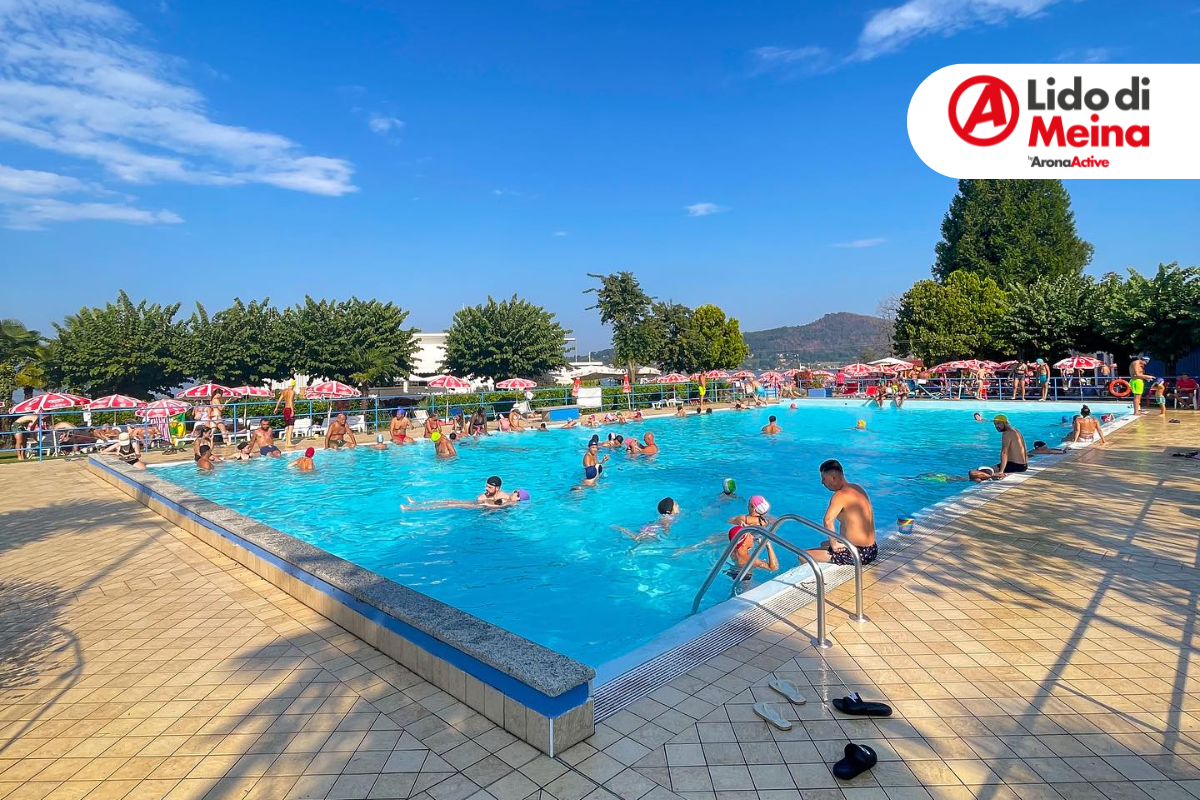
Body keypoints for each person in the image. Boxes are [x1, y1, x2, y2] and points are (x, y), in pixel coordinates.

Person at [808, 460, 878, 565]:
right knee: (824, 544)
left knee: (804, 556)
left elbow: (828, 521)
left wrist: (834, 545)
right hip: (871, 550)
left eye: (824, 478)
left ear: (834, 478)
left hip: (856, 553)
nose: (822, 482)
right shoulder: (857, 488)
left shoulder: (840, 495)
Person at [614, 497, 680, 542]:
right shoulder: (668, 519)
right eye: (676, 505)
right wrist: (667, 536)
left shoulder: (664, 516)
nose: (678, 506)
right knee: (640, 539)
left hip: (648, 528)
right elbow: (666, 529)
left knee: (640, 539)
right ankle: (623, 530)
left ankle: (624, 530)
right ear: (669, 512)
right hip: (651, 531)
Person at [273, 380, 297, 449]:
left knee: (287, 426)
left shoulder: (284, 391)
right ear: (293, 385)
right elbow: (291, 401)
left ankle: (287, 442)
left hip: (285, 410)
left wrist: (276, 408)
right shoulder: (292, 392)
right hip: (289, 409)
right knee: (291, 426)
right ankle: (289, 442)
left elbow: (279, 400)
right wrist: (292, 411)